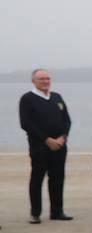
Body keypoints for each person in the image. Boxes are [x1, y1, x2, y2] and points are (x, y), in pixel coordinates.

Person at [19, 69, 73, 224]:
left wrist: (63, 137)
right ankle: (35, 213)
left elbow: (67, 120)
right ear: (34, 81)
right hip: (39, 147)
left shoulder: (57, 97)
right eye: (41, 79)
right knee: (37, 178)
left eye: (47, 78)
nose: (45, 81)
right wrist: (47, 139)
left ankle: (57, 211)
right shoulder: (27, 99)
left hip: (60, 146)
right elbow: (26, 123)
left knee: (57, 178)